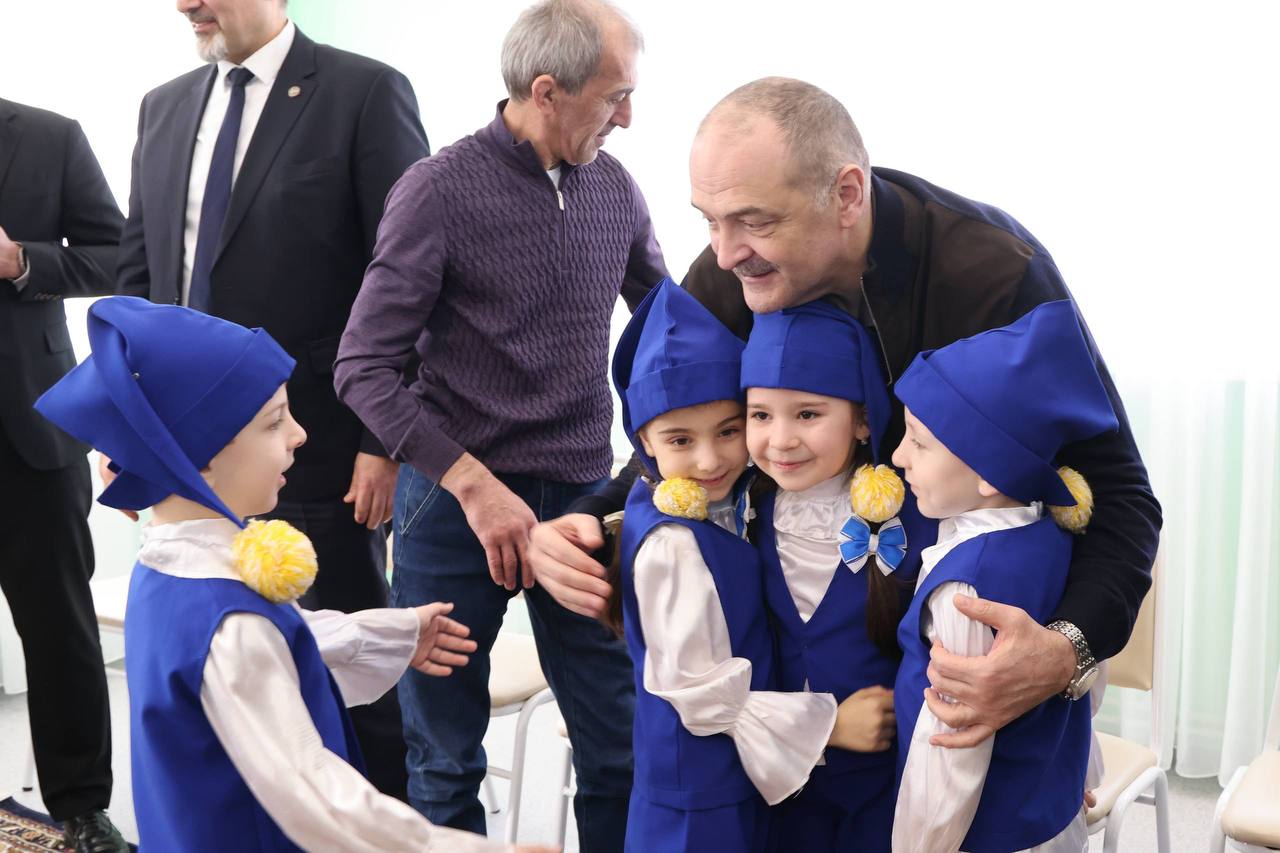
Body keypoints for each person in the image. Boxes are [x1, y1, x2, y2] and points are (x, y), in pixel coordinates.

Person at [529, 77, 1161, 745]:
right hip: (803, 666)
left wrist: (1065, 651)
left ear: (848, 195)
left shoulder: (993, 273)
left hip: (963, 657)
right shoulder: (731, 274)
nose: (724, 252)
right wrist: (589, 518)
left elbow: (1120, 495)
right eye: (709, 221)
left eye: (754, 221)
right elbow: (681, 431)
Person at [33, 296, 558, 853]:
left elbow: (285, 640)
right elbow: (315, 793)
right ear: (199, 456)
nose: (299, 434)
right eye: (274, 421)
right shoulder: (231, 623)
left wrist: (396, 632)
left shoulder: (168, 571)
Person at [333, 1, 666, 845]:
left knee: (621, 749)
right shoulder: (437, 190)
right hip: (453, 507)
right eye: (615, 96)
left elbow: (670, 326)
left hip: (583, 506)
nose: (629, 117)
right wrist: (473, 484)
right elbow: (362, 367)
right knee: (445, 760)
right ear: (546, 91)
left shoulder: (616, 188)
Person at [115, 0, 430, 798]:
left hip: (320, 449)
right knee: (220, 674)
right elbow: (138, 284)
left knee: (352, 681)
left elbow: (411, 281)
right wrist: (129, 428)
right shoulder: (161, 107)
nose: (185, 4)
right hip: (188, 461)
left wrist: (383, 440)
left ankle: (383, 832)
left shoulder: (365, 93)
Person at [609, 280, 880, 851]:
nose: (710, 460)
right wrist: (831, 725)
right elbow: (701, 694)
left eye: (730, 430)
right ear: (644, 443)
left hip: (750, 784)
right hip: (701, 800)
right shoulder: (672, 543)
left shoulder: (736, 503)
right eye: (680, 440)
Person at [890, 300, 1118, 852]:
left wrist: (918, 844)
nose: (898, 457)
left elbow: (950, 749)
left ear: (989, 471)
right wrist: (1077, 774)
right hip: (1051, 815)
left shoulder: (965, 590)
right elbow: (1086, 680)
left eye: (918, 441)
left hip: (984, 834)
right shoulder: (1056, 537)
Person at [741, 301, 927, 851]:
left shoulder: (921, 512)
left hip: (889, 787)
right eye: (760, 415)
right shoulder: (740, 512)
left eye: (807, 414)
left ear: (863, 419)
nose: (780, 440)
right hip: (776, 783)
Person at [0, 96, 128, 852]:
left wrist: (22, 261)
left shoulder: (51, 137)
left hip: (31, 430)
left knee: (59, 629)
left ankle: (82, 808)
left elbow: (118, 254)